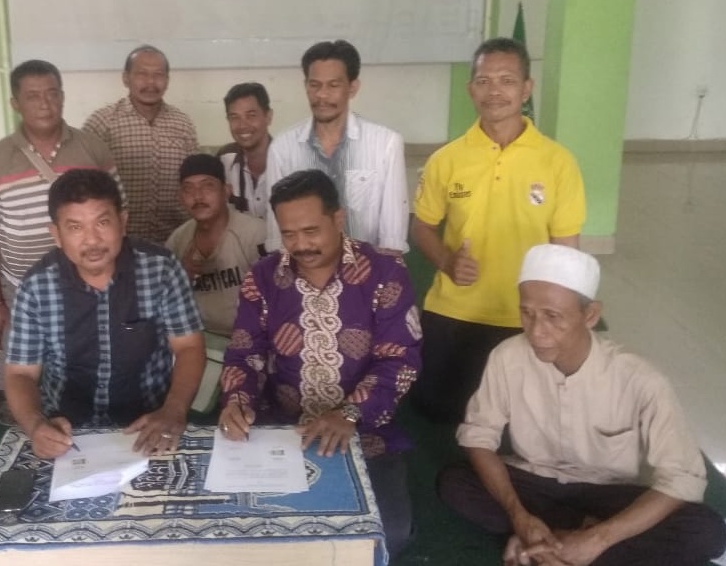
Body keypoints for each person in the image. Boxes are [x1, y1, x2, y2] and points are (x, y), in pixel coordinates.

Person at [437, 244, 726, 566]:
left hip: (610, 492)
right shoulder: (508, 357)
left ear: (590, 315)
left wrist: (599, 538)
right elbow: (478, 436)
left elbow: (683, 477)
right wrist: (519, 517)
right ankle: (560, 543)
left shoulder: (640, 379)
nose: (537, 331)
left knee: (706, 531)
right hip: (537, 481)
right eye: (527, 313)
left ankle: (547, 546)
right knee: (456, 483)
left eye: (553, 317)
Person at [218, 169, 422, 559]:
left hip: (365, 432)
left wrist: (349, 413)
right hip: (282, 428)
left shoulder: (384, 273)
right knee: (251, 531)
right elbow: (245, 352)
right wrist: (237, 401)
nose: (301, 245)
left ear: (338, 219)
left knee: (388, 534)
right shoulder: (263, 278)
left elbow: (400, 361)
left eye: (311, 231)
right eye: (289, 234)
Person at [409, 38, 586, 423]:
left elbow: (566, 251)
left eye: (507, 80)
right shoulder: (446, 160)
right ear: (471, 89)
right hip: (454, 310)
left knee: (522, 420)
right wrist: (447, 262)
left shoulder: (558, 163)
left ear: (526, 88)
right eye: (484, 81)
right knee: (435, 410)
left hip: (524, 316)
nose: (494, 91)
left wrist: (558, 320)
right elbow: (422, 226)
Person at [4, 168, 205, 459]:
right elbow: (20, 373)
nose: (92, 240)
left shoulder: (161, 269)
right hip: (66, 430)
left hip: (149, 424)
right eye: (75, 227)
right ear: (56, 235)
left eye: (102, 222)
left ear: (122, 222)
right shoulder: (36, 286)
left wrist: (174, 409)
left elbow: (189, 347)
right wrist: (36, 426)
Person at [0, 59, 120, 424]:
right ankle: (10, 395)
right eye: (33, 96)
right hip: (19, 283)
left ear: (63, 96)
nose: (45, 104)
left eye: (52, 94)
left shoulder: (93, 150)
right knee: (13, 361)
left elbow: (116, 213)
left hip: (86, 280)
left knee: (85, 357)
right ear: (15, 103)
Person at [265, 40, 409, 254]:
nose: (322, 95)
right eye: (314, 85)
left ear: (352, 88)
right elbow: (277, 237)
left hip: (365, 271)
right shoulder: (283, 148)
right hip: (303, 271)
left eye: (333, 85)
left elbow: (392, 240)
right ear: (306, 86)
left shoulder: (385, 144)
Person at [84, 44, 199, 244]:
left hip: (175, 240)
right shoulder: (102, 123)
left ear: (167, 80)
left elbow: (194, 179)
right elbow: (84, 184)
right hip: (119, 242)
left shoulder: (183, 124)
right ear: (125, 78)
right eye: (142, 74)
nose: (151, 82)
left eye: (158, 75)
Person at [165, 154, 266, 337]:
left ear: (226, 191)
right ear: (180, 197)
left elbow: (277, 300)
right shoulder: (178, 240)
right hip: (197, 338)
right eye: (188, 189)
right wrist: (181, 278)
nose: (198, 196)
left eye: (208, 186)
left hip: (250, 340)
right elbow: (162, 303)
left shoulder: (255, 234)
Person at [216, 82, 273, 219]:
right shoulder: (223, 160)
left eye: (251, 115)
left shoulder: (289, 161)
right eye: (234, 117)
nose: (242, 125)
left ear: (268, 117)